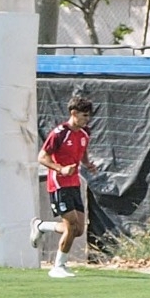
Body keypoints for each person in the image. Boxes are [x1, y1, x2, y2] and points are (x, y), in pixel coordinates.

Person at [37, 97, 94, 279]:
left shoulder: (84, 134)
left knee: (78, 230)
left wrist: (88, 164)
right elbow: (42, 157)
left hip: (74, 183)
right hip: (59, 184)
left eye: (89, 116)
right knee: (71, 226)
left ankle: (41, 226)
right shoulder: (59, 133)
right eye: (84, 115)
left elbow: (83, 152)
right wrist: (61, 169)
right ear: (73, 113)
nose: (87, 119)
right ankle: (58, 267)